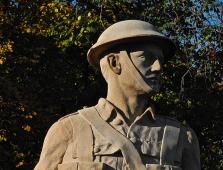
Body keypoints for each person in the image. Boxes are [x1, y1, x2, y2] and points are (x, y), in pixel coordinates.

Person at [34, 20, 200, 170]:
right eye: (146, 58)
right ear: (115, 63)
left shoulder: (181, 137)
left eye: (160, 61)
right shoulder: (68, 130)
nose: (158, 67)